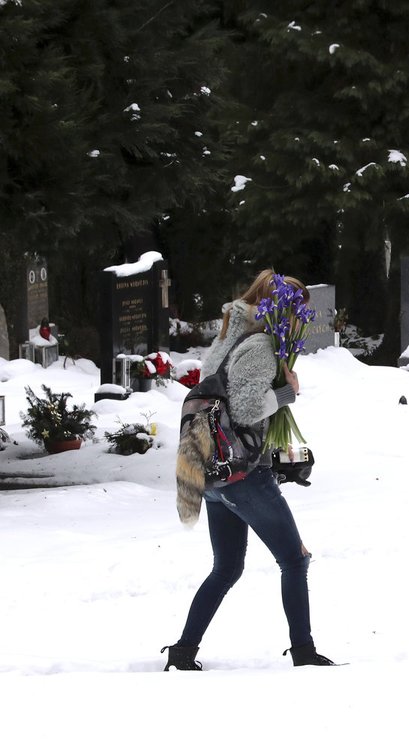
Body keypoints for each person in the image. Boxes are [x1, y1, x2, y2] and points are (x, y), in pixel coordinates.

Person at [162, 269, 336, 670]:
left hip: (212, 473)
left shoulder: (229, 335)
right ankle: (304, 653)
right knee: (294, 560)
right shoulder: (259, 345)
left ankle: (183, 652)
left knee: (226, 568)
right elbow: (246, 408)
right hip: (241, 475)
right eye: (299, 312)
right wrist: (288, 392)